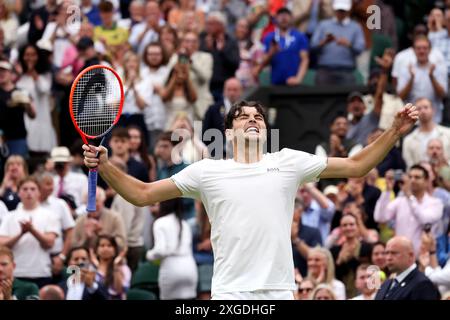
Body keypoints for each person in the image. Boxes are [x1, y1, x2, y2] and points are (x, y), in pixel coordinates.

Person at [83, 100, 418, 300]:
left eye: (258, 117)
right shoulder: (207, 171)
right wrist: (107, 166)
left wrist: (393, 132)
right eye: (243, 117)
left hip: (278, 290)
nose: (253, 120)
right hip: (230, 292)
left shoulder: (287, 161)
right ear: (229, 132)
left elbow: (357, 166)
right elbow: (142, 194)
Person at [0, 177, 59, 288]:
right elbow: (2, 244)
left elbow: (50, 243)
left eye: (33, 189)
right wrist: (21, 233)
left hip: (41, 273)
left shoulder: (49, 215)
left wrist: (32, 230)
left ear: (39, 193)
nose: (29, 192)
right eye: (25, 189)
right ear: (19, 193)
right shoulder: (9, 216)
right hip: (16, 274)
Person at [374, 164, 444, 255]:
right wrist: (387, 190)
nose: (412, 180)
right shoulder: (400, 201)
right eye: (410, 177)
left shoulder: (435, 203)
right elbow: (380, 217)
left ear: (427, 181)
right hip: (400, 257)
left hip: (423, 258)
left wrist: (409, 195)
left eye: (417, 177)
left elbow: (425, 220)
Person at [146, 198, 198, 300]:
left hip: (171, 268)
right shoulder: (184, 223)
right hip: (189, 267)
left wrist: (149, 255)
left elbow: (160, 250)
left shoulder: (160, 222)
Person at [374, 236, 440, 300]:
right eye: (387, 253)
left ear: (410, 256)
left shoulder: (422, 285)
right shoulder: (386, 284)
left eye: (394, 253)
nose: (388, 258)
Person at [257, 7, 309, 86]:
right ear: (275, 18)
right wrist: (271, 53)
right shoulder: (269, 37)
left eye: (287, 15)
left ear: (291, 18)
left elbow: (304, 59)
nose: (284, 18)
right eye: (281, 15)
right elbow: (261, 64)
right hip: (275, 84)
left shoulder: (300, 36)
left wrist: (298, 79)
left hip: (294, 84)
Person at [402, 97, 450, 169]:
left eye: (426, 107)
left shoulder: (448, 134)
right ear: (415, 113)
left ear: (433, 110)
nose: (423, 111)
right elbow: (410, 166)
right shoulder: (408, 140)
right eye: (419, 109)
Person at [91, 235, 131, 300]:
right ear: (96, 250)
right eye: (102, 245)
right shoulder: (91, 268)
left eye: (109, 246)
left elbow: (119, 290)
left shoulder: (124, 269)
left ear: (115, 250)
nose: (105, 249)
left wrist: (115, 265)